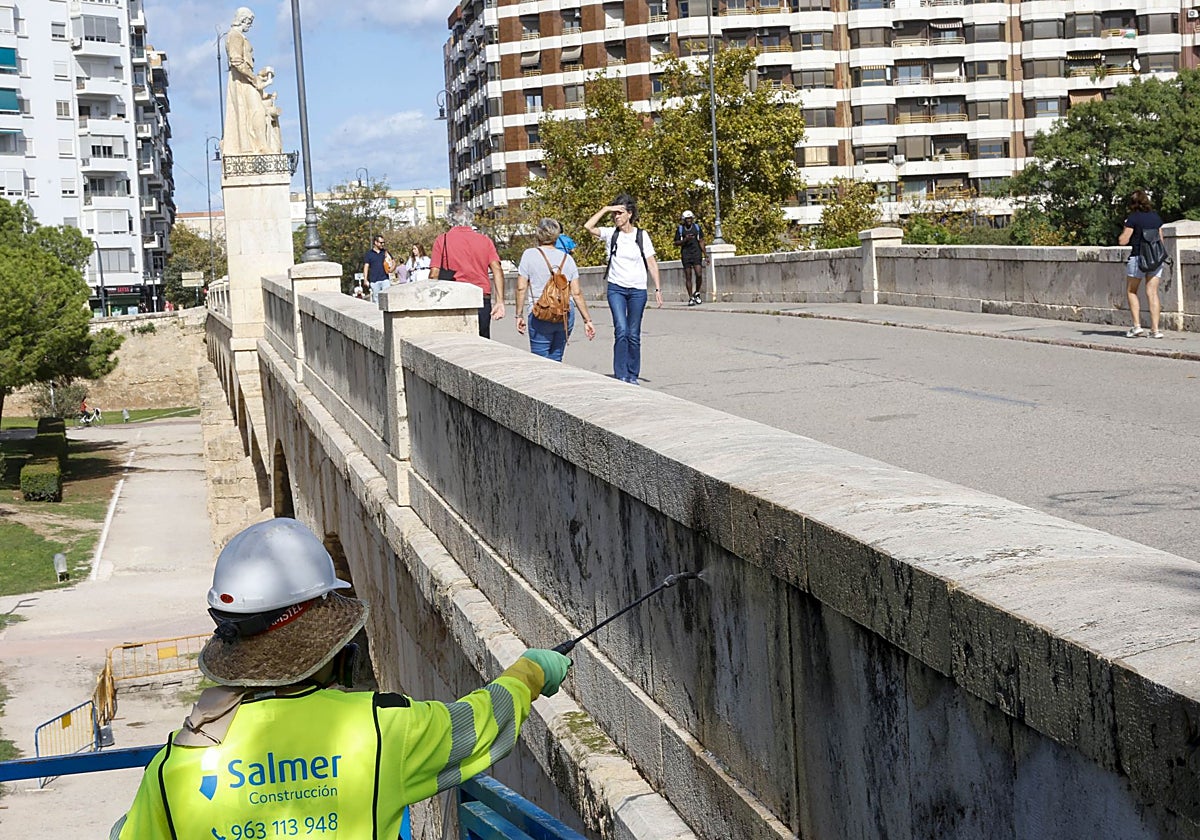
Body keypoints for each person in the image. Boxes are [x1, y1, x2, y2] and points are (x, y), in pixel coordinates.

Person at [110, 518, 571, 840]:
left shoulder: (173, 767)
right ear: (331, 646)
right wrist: (529, 673)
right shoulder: (381, 729)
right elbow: (478, 724)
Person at [584, 194, 662, 385]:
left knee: (633, 333)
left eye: (619, 213)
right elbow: (588, 227)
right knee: (621, 329)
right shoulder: (611, 233)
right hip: (616, 288)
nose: (616, 217)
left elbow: (651, 263)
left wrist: (658, 289)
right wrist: (605, 209)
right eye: (615, 214)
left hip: (637, 290)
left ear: (629, 214)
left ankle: (632, 374)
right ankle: (620, 375)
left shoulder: (641, 236)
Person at [515, 218, 596, 361]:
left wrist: (519, 315)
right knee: (557, 359)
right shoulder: (568, 259)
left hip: (540, 311)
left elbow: (521, 288)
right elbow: (576, 293)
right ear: (557, 235)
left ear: (538, 234)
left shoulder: (529, 255)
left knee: (540, 360)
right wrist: (587, 320)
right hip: (564, 313)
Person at [429, 202, 506, 338]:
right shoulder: (485, 240)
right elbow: (497, 269)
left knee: (457, 342)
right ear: (470, 217)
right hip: (481, 297)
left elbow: (434, 274)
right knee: (482, 341)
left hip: (454, 297)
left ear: (449, 218)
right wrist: (500, 301)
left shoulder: (442, 240)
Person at [1118, 189, 1166, 339]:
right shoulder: (1155, 217)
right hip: (1155, 259)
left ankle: (1137, 326)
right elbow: (1161, 240)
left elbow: (1123, 241)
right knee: (1152, 292)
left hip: (1138, 258)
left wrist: (1125, 226)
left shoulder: (1133, 218)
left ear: (1132, 204)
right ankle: (1155, 330)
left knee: (1132, 291)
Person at [223, 8, 268, 156]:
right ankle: (255, 148)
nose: (250, 25)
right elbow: (236, 60)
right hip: (241, 80)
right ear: (243, 20)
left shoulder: (238, 36)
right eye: (249, 22)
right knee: (255, 111)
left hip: (244, 79)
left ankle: (257, 146)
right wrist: (253, 78)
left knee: (252, 112)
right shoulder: (235, 36)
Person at [674, 210, 706, 306]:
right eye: (687, 219)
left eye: (690, 218)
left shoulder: (697, 227)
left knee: (699, 274)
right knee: (688, 276)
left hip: (696, 253)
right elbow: (676, 243)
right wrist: (685, 240)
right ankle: (690, 297)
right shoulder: (680, 229)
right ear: (684, 220)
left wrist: (706, 254)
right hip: (686, 254)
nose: (689, 220)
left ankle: (697, 293)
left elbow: (701, 241)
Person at [362, 234, 393, 304]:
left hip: (385, 279)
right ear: (376, 242)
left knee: (387, 298)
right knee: (376, 300)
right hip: (374, 280)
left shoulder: (385, 252)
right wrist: (365, 279)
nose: (383, 244)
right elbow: (366, 266)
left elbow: (393, 261)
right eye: (381, 242)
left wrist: (391, 269)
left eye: (383, 242)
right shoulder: (369, 254)